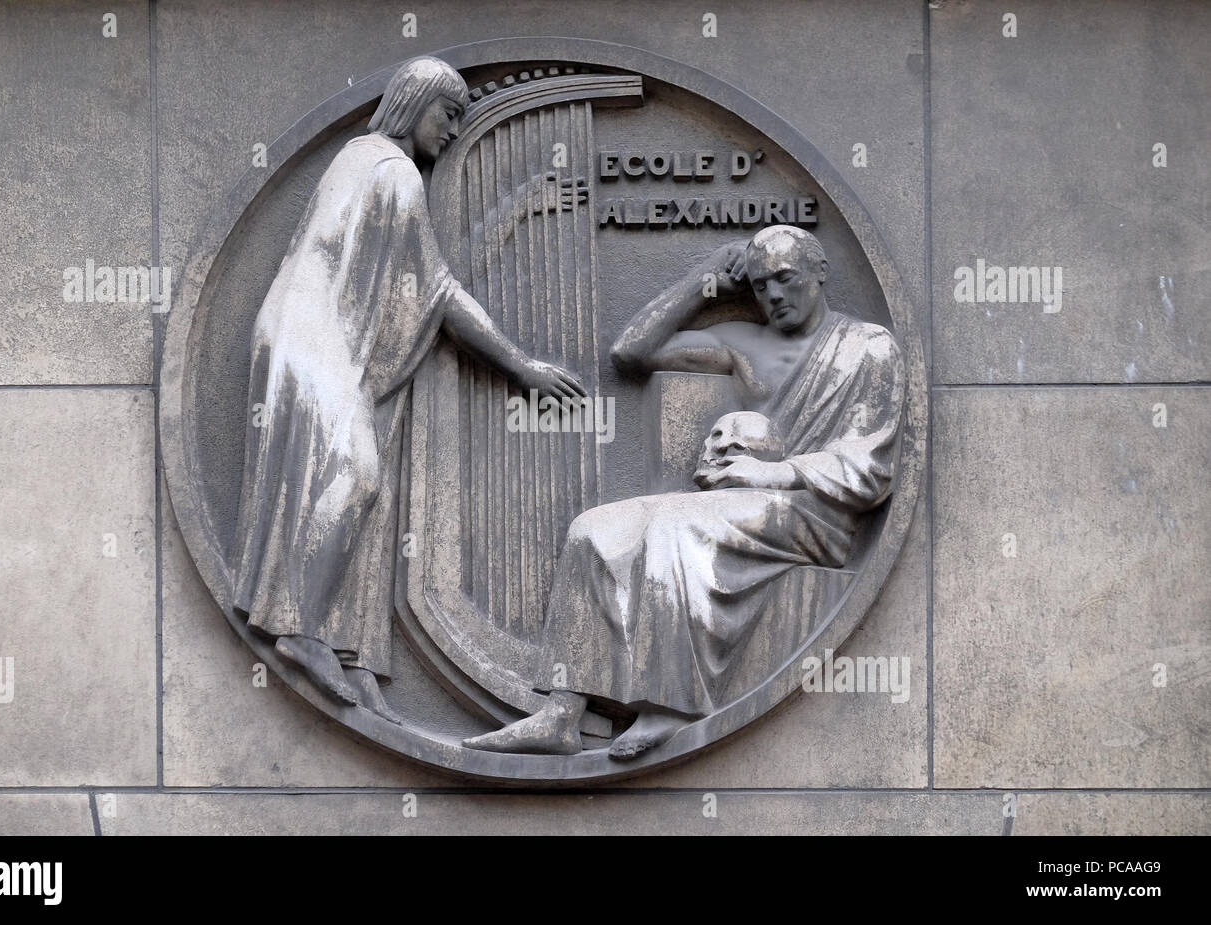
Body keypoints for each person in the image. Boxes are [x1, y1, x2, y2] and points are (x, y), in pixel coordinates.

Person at [463, 225, 904, 758]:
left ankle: (667, 706)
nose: (774, 296)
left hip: (814, 513)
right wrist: (704, 281)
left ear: (820, 273)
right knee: (596, 529)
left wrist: (770, 473)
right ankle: (561, 712)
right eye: (761, 286)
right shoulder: (745, 344)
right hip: (736, 501)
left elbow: (868, 467)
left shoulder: (869, 348)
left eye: (786, 279)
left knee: (675, 525)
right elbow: (632, 351)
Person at [231, 56, 584, 722]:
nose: (452, 132)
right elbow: (441, 292)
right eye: (448, 115)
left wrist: (514, 211)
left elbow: (423, 281)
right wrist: (522, 365)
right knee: (359, 475)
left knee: (374, 497)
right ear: (414, 102)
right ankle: (301, 626)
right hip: (312, 333)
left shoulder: (364, 164)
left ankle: (356, 661)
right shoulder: (387, 167)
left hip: (309, 334)